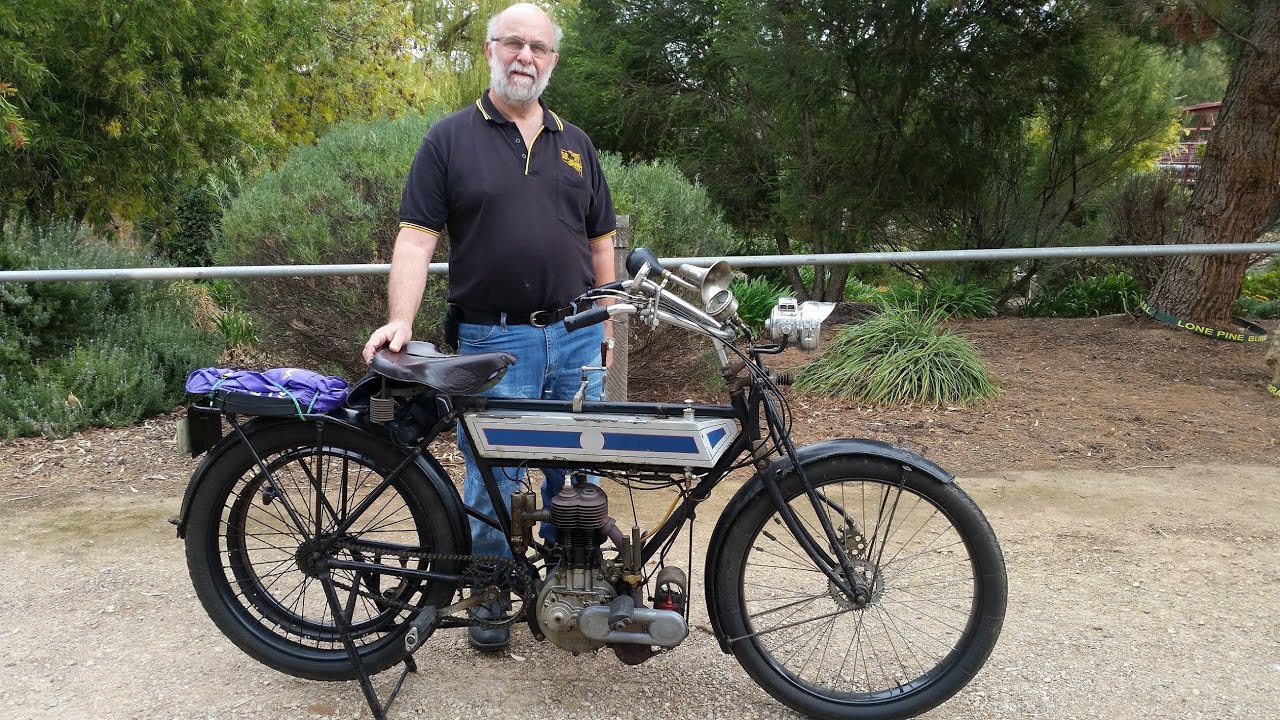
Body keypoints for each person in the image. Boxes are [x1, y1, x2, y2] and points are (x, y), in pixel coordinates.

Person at [361, 2, 616, 652]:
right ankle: (492, 591)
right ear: (490, 50)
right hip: (493, 341)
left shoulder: (577, 145)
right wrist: (399, 322)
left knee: (576, 472)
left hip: (580, 336)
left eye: (538, 47)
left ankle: (571, 587)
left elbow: (601, 243)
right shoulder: (448, 140)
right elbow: (416, 241)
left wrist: (608, 321)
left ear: (552, 60)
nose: (525, 56)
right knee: (494, 479)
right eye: (513, 44)